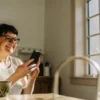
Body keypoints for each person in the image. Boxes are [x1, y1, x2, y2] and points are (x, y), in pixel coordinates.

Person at [0, 23, 40, 94]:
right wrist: (17, 75)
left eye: (15, 39)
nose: (12, 42)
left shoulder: (17, 62)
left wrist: (32, 78)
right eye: (8, 38)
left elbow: (26, 94)